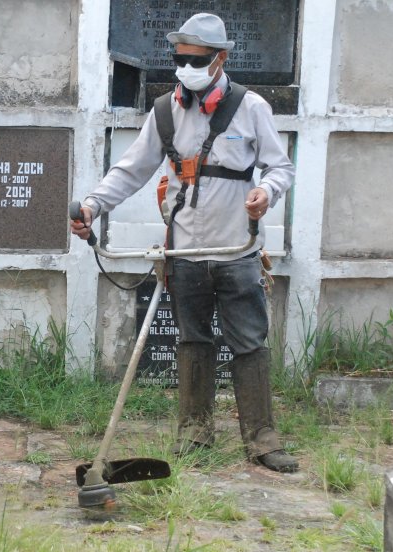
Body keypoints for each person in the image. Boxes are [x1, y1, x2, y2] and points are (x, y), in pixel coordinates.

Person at [71, 13, 298, 473]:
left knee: (250, 343)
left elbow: (281, 168)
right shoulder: (164, 111)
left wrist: (266, 192)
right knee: (193, 340)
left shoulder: (251, 107)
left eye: (197, 59)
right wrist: (93, 204)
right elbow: (131, 170)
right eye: (180, 58)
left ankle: (262, 439)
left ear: (221, 59)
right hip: (185, 250)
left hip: (238, 249)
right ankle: (195, 434)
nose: (187, 66)